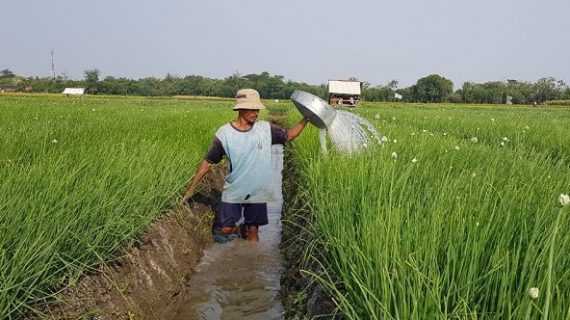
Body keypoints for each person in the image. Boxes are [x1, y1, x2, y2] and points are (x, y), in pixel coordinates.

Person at [182, 89, 309, 242]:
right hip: (234, 189)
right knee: (225, 229)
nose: (255, 112)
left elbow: (288, 136)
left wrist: (306, 118)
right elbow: (208, 162)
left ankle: (253, 262)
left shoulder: (265, 129)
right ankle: (240, 227)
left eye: (257, 109)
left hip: (257, 190)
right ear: (240, 109)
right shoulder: (225, 134)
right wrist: (191, 189)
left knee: (252, 231)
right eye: (251, 109)